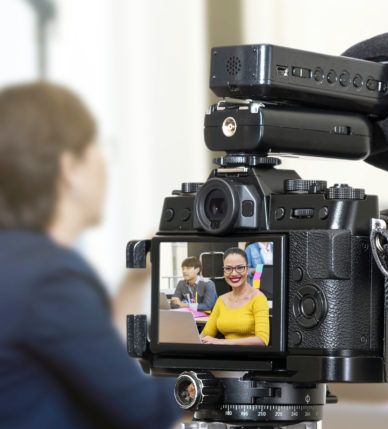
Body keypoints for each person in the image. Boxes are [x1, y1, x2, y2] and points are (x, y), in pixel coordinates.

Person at [0, 83, 181, 428]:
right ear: (70, 167)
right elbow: (140, 411)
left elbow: (98, 362)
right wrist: (218, 374)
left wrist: (134, 281)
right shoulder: (50, 280)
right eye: (98, 148)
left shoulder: (21, 267)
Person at [200, 248, 270, 346]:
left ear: (247, 269)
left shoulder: (258, 298)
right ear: (224, 271)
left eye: (240, 267)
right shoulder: (221, 300)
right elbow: (205, 334)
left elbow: (262, 340)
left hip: (250, 357)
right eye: (228, 268)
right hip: (226, 356)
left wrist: (221, 342)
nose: (233, 273)